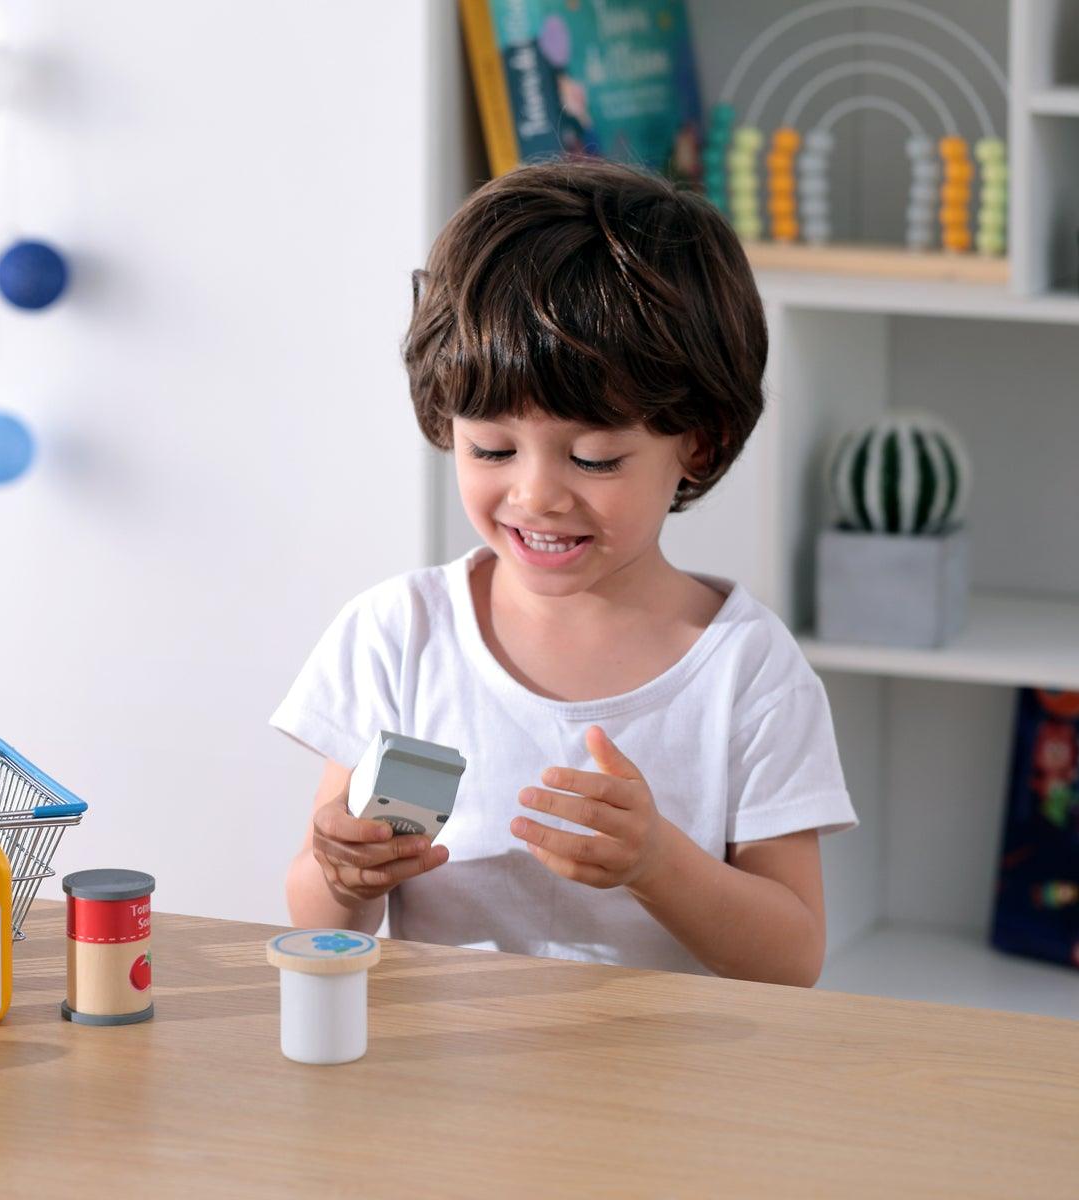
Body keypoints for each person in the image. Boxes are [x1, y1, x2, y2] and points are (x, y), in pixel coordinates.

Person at [272, 159, 856, 985]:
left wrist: (657, 863)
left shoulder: (748, 673)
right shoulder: (398, 635)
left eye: (594, 457)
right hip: (439, 1094)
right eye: (492, 449)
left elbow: (791, 959)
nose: (537, 494)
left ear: (700, 442)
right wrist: (341, 872)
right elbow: (321, 917)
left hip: (659, 1098)